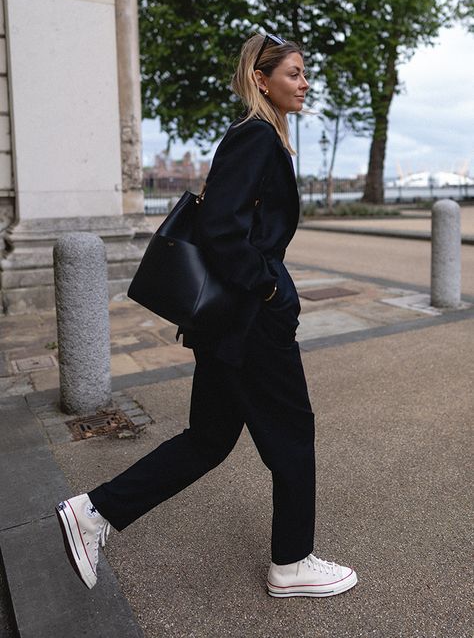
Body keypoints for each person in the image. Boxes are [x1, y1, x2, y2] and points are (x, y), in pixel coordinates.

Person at [55, 32, 358, 598]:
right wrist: (268, 289)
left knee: (209, 439)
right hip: (250, 324)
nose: (305, 83)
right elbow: (221, 226)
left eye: (304, 73)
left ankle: (93, 514)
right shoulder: (257, 138)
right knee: (292, 435)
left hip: (230, 326)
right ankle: (292, 564)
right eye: (293, 73)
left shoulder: (258, 138)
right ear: (262, 79)